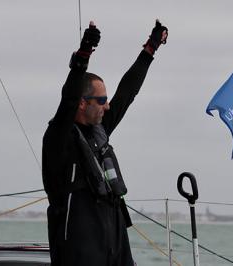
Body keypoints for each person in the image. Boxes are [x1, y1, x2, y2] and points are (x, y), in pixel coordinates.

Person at [42, 20, 168, 266]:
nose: (107, 106)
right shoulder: (59, 138)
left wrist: (150, 49)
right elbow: (68, 98)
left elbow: (127, 93)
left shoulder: (100, 129)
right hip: (81, 250)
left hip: (114, 243)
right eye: (101, 100)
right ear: (81, 103)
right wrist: (84, 53)